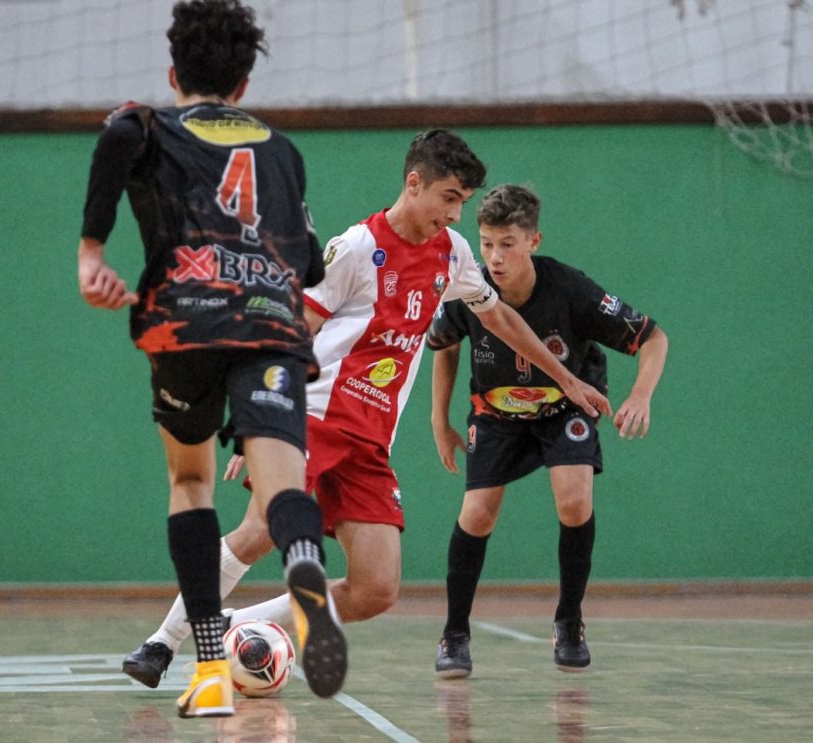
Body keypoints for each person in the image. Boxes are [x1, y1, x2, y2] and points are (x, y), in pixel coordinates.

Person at [120, 131, 613, 689]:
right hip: (312, 418)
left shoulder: (452, 254)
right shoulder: (355, 249)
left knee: (376, 588)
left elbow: (497, 317)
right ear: (413, 183)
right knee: (260, 529)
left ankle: (236, 622)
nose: (455, 214)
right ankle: (162, 643)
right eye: (448, 198)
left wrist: (567, 379)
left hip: (370, 441)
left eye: (462, 203)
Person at [77, 0, 346, 717]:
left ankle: (208, 671)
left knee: (192, 482)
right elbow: (314, 265)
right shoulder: (284, 152)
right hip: (270, 326)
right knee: (282, 491)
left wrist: (92, 251)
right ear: (245, 85)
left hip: (184, 324)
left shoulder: (148, 125)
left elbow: (114, 133)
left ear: (174, 73)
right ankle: (306, 574)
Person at [428, 184, 668, 676]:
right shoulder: (470, 286)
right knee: (477, 513)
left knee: (575, 499)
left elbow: (653, 337)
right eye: (487, 243)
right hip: (496, 413)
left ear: (533, 241)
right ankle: (454, 634)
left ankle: (570, 620)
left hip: (565, 405)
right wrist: (440, 418)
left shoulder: (570, 289)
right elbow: (445, 344)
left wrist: (640, 394)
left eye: (507, 244)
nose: (495, 257)